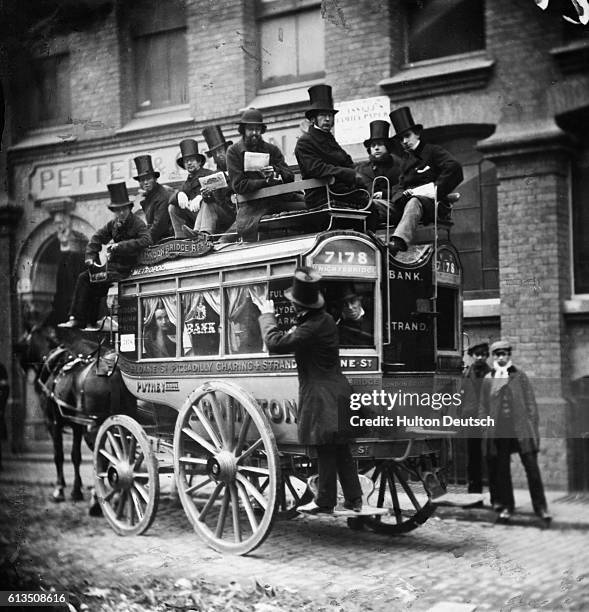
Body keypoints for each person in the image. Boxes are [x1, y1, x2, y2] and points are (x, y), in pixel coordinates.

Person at [255, 267, 363, 514]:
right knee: (340, 446)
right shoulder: (320, 321)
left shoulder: (312, 327)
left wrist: (267, 315)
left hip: (321, 394)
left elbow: (275, 343)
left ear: (298, 305)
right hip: (338, 390)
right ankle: (354, 499)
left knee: (325, 445)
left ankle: (325, 500)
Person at [59, 183, 151, 330]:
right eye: (117, 210)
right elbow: (96, 238)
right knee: (90, 278)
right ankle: (86, 320)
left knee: (87, 279)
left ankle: (81, 319)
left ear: (129, 208)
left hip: (129, 267)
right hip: (115, 268)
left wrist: (121, 246)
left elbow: (146, 240)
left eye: (123, 209)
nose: (121, 213)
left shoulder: (137, 223)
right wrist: (90, 257)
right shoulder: (113, 224)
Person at [479, 340, 552, 524]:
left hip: (521, 429)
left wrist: (532, 427)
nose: (501, 357)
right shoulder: (489, 379)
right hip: (500, 431)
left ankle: (541, 508)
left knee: (532, 468)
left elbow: (531, 405)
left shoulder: (520, 376)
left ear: (509, 355)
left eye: (504, 354)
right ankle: (507, 507)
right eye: (497, 354)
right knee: (502, 471)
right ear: (493, 357)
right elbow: (482, 407)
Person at [388, 106, 463, 255]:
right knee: (379, 205)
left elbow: (454, 167)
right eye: (401, 139)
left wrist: (435, 189)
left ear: (417, 134)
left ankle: (398, 241)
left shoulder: (432, 151)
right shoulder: (405, 160)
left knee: (414, 201)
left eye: (407, 136)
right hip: (407, 204)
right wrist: (401, 193)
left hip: (431, 205)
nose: (404, 141)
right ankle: (370, 242)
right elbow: (399, 185)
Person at [226, 108, 306, 241]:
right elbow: (239, 185)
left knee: (312, 205)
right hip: (253, 206)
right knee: (245, 226)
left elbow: (289, 175)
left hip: (279, 200)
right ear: (243, 130)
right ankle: (223, 238)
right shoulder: (234, 152)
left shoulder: (271, 149)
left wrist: (275, 172)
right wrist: (265, 182)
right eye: (250, 129)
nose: (254, 133)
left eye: (257, 129)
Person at [294, 85, 371, 212]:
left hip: (340, 193)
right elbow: (318, 169)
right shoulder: (305, 142)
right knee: (370, 208)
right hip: (322, 197)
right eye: (323, 115)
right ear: (313, 119)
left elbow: (347, 162)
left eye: (330, 115)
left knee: (372, 206)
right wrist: (350, 174)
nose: (328, 119)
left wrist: (358, 173)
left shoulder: (329, 139)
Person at [183, 125, 236, 238]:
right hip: (224, 214)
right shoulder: (214, 175)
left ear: (227, 150)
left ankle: (200, 233)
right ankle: (199, 233)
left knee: (208, 204)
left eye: (221, 151)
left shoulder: (237, 168)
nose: (218, 155)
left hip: (237, 214)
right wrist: (207, 195)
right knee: (207, 202)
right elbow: (217, 201)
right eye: (215, 153)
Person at [355, 120, 402, 229]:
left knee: (370, 205)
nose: (376, 148)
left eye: (380, 144)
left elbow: (404, 190)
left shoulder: (399, 166)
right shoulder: (362, 170)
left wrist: (384, 194)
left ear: (388, 147)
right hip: (369, 209)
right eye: (373, 145)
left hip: (393, 207)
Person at [460, 342, 492, 498]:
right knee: (473, 457)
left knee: (491, 457)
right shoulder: (466, 374)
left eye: (484, 354)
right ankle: (474, 495)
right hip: (470, 419)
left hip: (487, 419)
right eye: (477, 354)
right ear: (472, 356)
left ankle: (496, 496)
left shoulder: (492, 375)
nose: (480, 357)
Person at [168, 139, 213, 238]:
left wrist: (201, 197)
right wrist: (179, 194)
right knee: (172, 207)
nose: (188, 163)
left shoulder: (209, 174)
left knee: (206, 201)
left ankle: (200, 233)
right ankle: (181, 237)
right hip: (195, 218)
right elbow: (170, 200)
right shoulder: (187, 182)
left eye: (191, 160)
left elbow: (218, 194)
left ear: (199, 161)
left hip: (211, 220)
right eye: (186, 161)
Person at [132, 155, 173, 243]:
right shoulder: (149, 197)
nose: (145, 182)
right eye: (142, 180)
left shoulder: (162, 196)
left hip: (167, 240)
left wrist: (139, 242)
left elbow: (158, 227)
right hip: (156, 237)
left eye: (148, 178)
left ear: (155, 179)